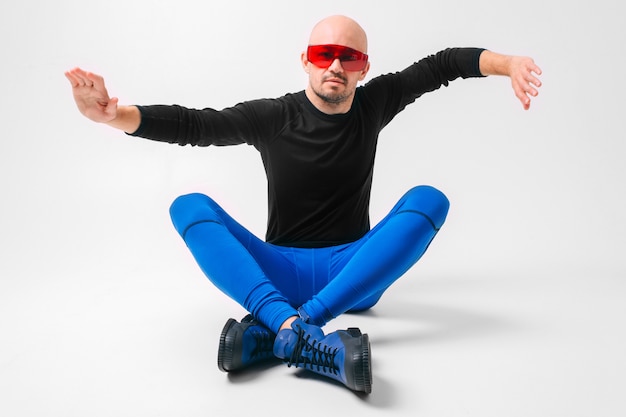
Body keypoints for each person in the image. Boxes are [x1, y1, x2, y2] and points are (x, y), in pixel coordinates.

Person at [65, 15, 542, 393]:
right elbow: (196, 126)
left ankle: (282, 329)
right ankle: (309, 336)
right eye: (324, 54)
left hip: (353, 272)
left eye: (348, 57)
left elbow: (442, 65)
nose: (335, 65)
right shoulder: (274, 116)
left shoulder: (374, 103)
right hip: (279, 268)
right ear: (306, 61)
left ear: (363, 68)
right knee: (189, 206)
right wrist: (113, 116)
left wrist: (510, 63)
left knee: (429, 201)